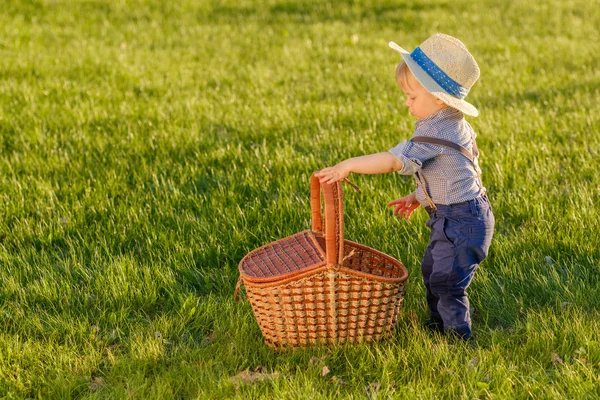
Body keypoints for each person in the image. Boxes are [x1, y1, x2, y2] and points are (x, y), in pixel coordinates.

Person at [315, 33, 494, 340]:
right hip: (458, 214)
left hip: (462, 219)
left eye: (412, 97)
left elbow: (392, 161)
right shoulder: (449, 121)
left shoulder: (436, 131)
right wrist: (419, 195)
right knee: (433, 270)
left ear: (438, 98)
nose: (407, 103)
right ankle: (438, 323)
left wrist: (349, 165)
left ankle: (457, 337)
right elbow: (454, 173)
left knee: (447, 280)